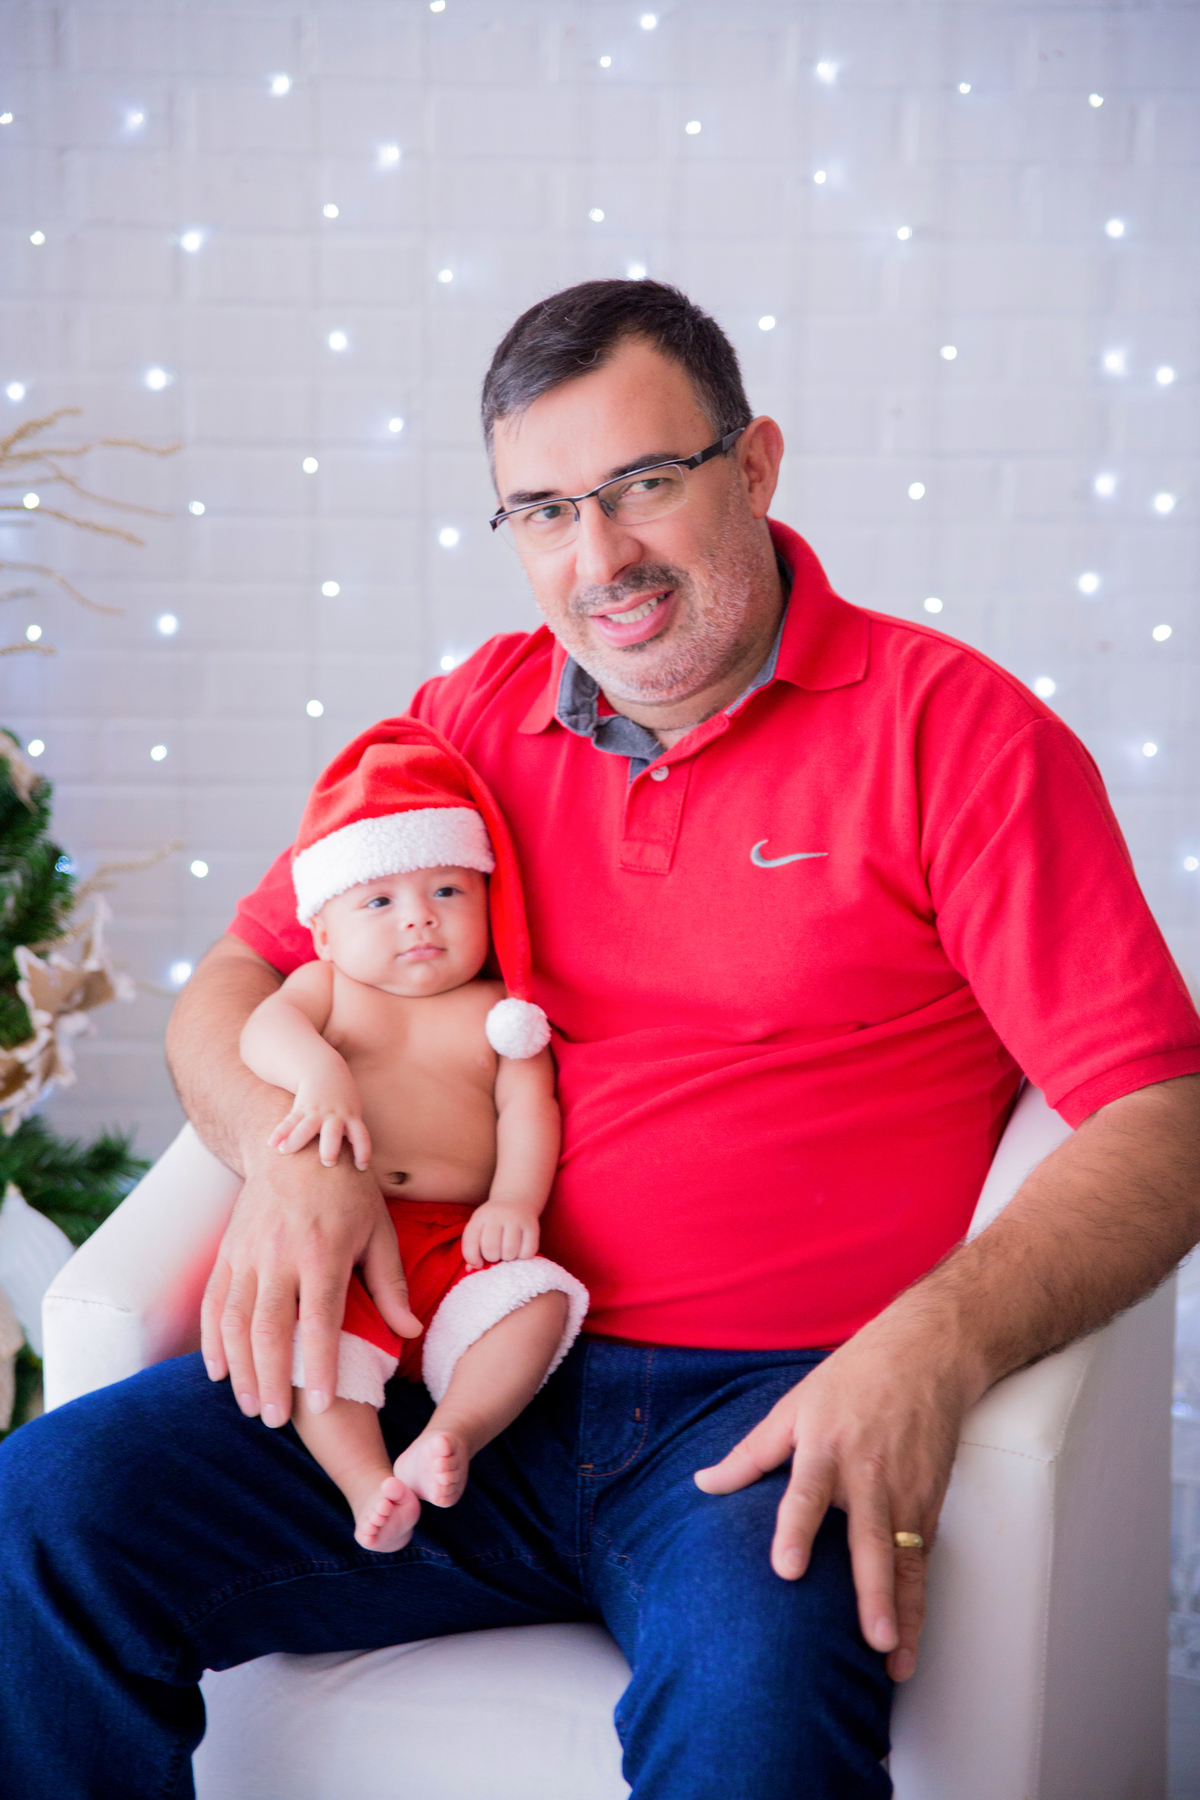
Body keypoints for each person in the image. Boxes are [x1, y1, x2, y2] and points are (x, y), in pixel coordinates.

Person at [2, 278, 1199, 1800]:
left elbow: (1164, 1112)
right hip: (445, 1360)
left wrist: (936, 1339)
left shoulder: (951, 736)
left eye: (645, 484)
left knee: (757, 1718)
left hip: (758, 1419)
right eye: (545, 508)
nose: (601, 557)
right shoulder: (465, 722)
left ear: (755, 466)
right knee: (42, 1519)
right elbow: (235, 985)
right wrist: (283, 1156)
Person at [239, 718, 587, 1551]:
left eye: (447, 892)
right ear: (324, 931)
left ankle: (453, 1432)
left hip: (457, 1241)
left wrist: (513, 1199)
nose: (418, 921)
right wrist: (322, 1075)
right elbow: (260, 1034)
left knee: (537, 1306)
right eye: (381, 900)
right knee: (309, 1347)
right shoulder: (326, 989)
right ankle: (367, 1485)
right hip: (345, 1235)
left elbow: (528, 1109)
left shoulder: (501, 1014)